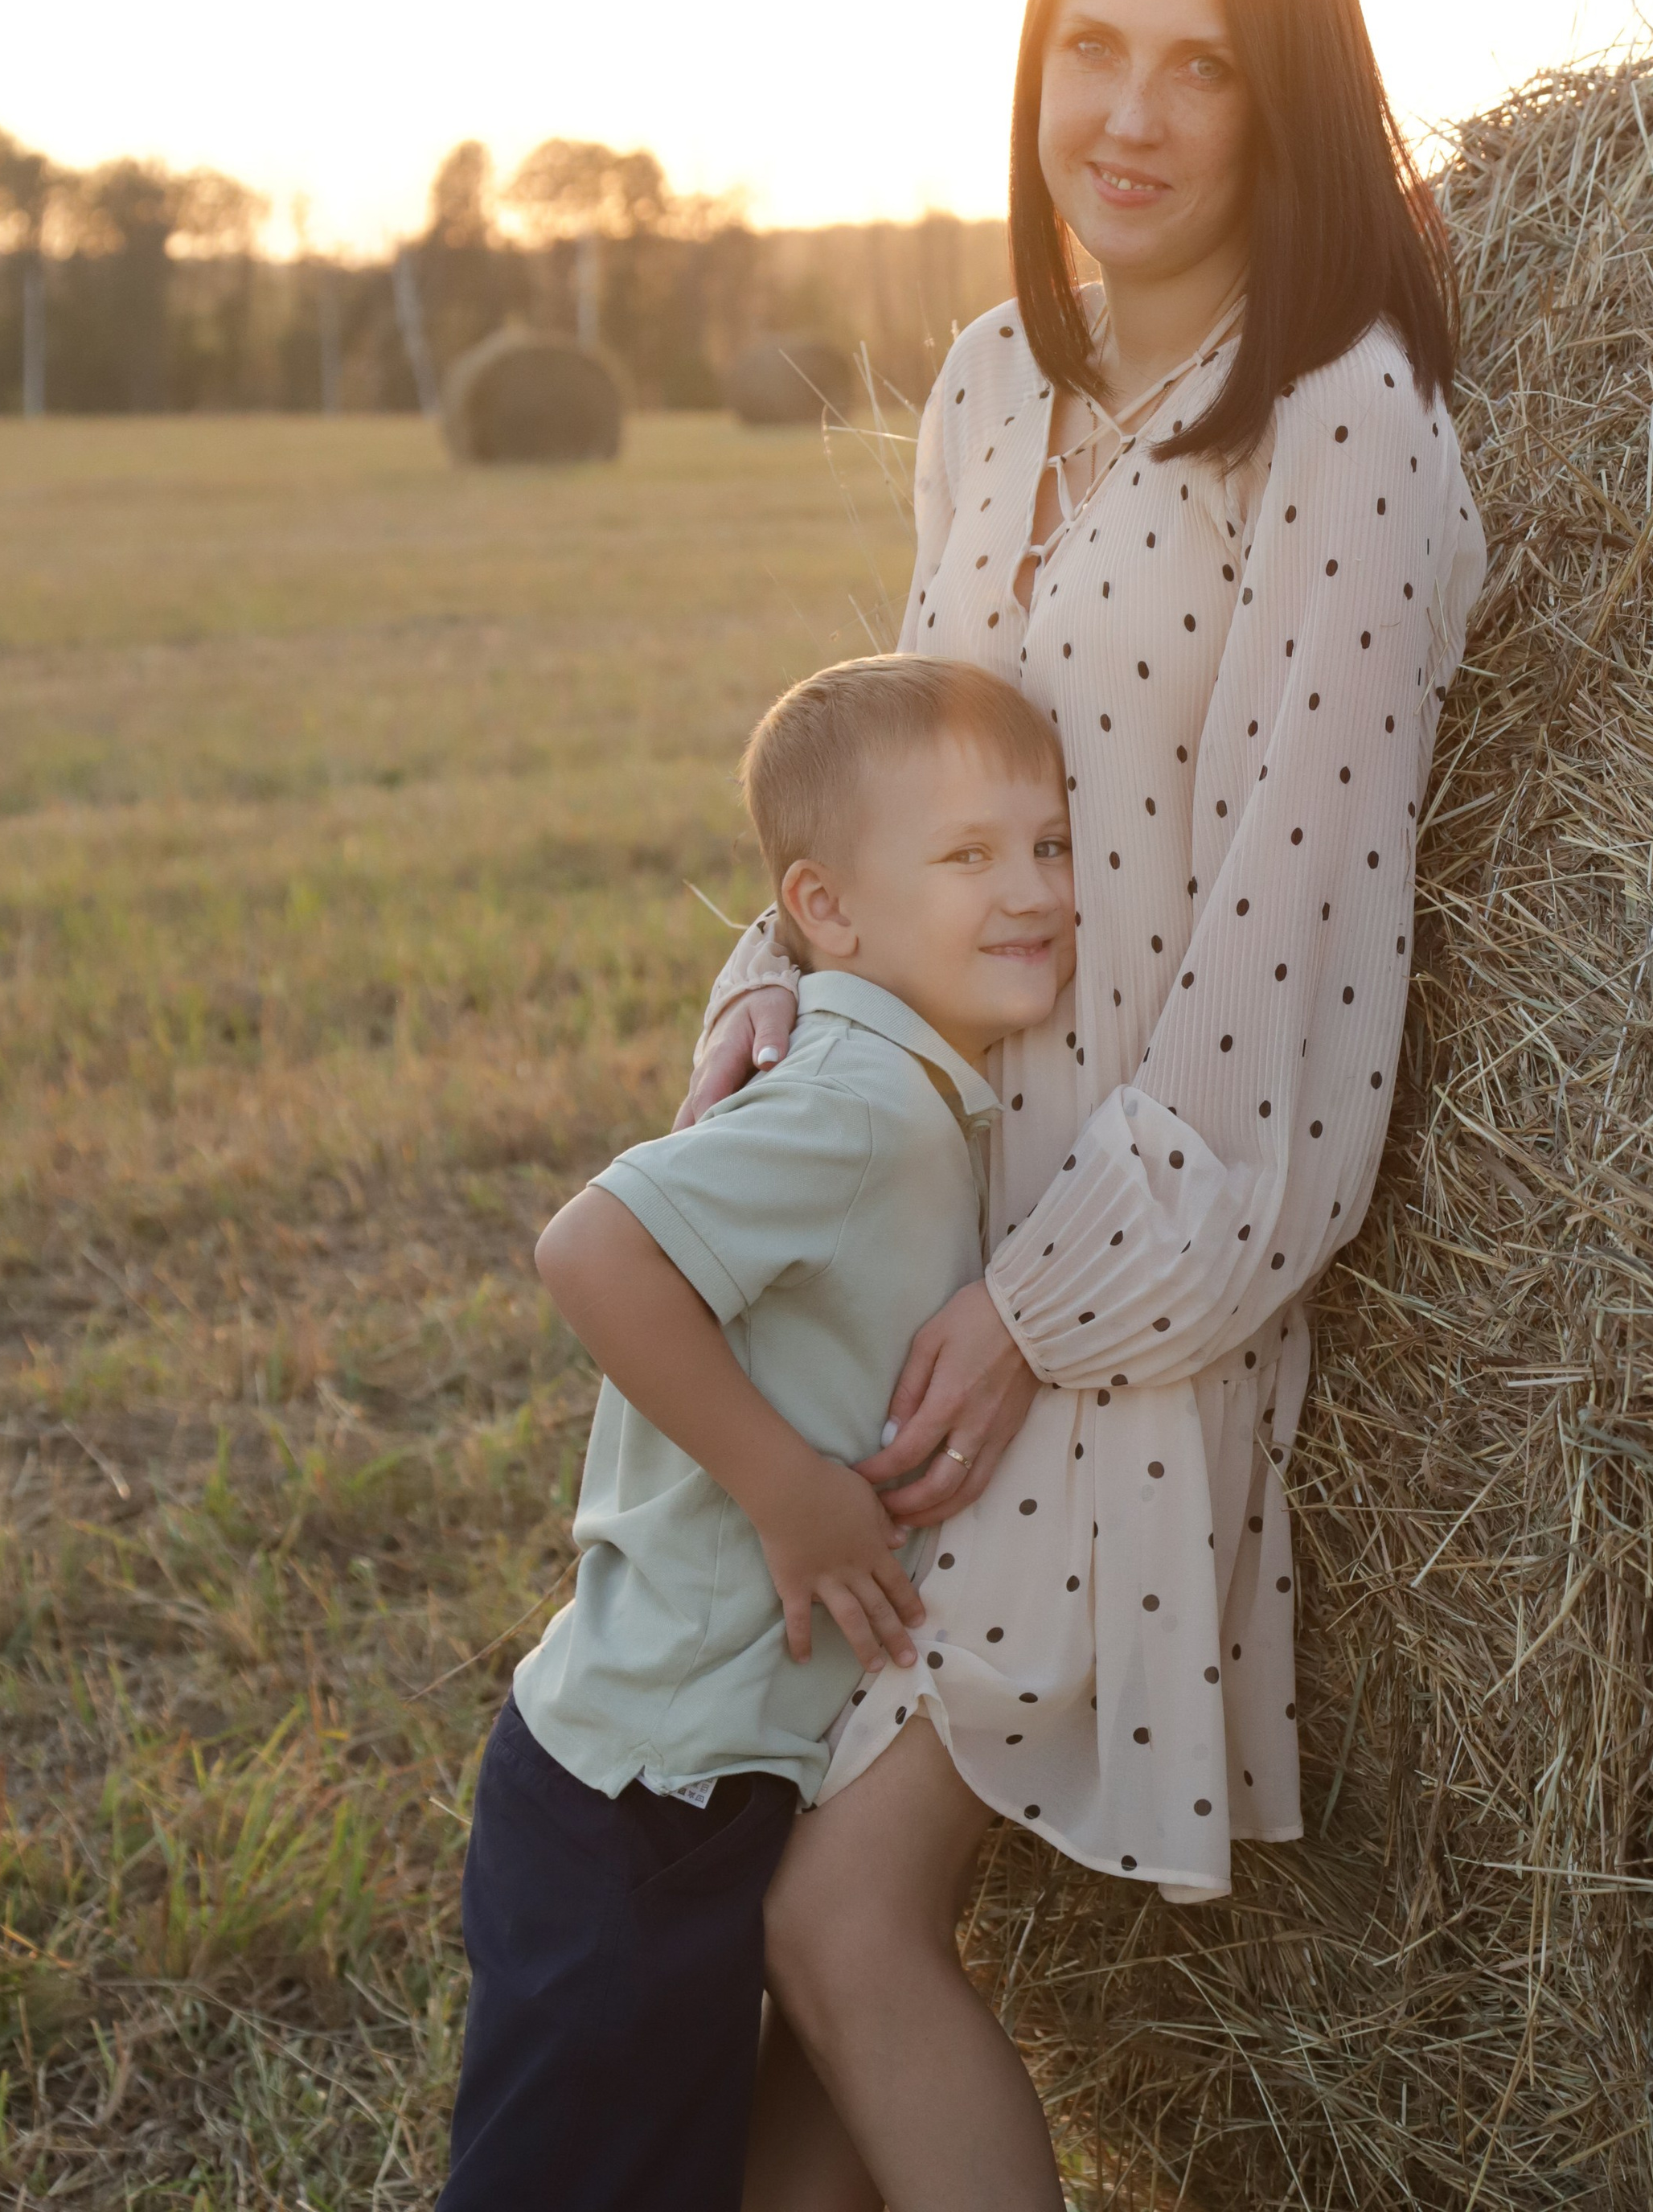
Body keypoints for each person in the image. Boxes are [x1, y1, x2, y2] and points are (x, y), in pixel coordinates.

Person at [685, 0, 1488, 2212]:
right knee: (772, 1976)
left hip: (1125, 1323)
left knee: (844, 1917)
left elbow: (1290, 973)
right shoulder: (981, 386)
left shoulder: (1350, 440)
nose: (1125, 117)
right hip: (905, 1251)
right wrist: (771, 981)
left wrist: (1046, 1312)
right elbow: (911, 772)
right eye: (1088, 51)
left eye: (1197, 68)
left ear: (1289, 108)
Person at [439, 655, 1074, 2212]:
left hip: (692, 1784)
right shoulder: (850, 1101)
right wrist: (788, 1488)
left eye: (1049, 844)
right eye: (966, 855)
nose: (1031, 890)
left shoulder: (923, 1089)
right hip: (634, 1805)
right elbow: (590, 1250)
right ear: (827, 909)